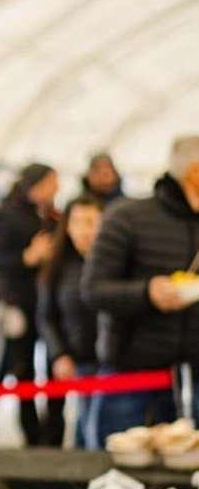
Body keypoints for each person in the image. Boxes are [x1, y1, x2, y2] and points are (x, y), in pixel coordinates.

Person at [83, 135, 199, 440]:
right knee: (116, 473)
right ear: (195, 172)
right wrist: (147, 293)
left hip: (186, 377)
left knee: (176, 479)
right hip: (130, 372)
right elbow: (92, 289)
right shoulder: (128, 217)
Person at [0, 163, 66, 447]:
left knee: (55, 368)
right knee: (21, 370)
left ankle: (53, 435)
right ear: (36, 184)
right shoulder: (9, 213)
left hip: (52, 306)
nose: (57, 189)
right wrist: (27, 257)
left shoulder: (55, 216)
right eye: (52, 182)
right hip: (19, 303)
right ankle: (30, 437)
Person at [37, 196, 104, 449]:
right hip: (79, 362)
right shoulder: (58, 266)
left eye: (91, 222)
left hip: (113, 366)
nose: (84, 231)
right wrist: (59, 354)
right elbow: (46, 316)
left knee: (95, 433)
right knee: (86, 429)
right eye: (76, 222)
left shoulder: (116, 265)